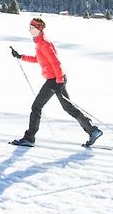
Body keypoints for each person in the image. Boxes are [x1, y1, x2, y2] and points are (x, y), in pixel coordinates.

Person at [10, 17, 102, 147]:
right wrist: (21, 56)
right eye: (30, 28)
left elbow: (56, 62)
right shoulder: (41, 43)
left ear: (39, 29)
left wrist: (59, 81)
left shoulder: (44, 44)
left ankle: (29, 138)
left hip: (55, 80)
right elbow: (39, 59)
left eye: (32, 28)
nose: (29, 30)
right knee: (68, 107)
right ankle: (92, 130)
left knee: (37, 106)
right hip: (56, 79)